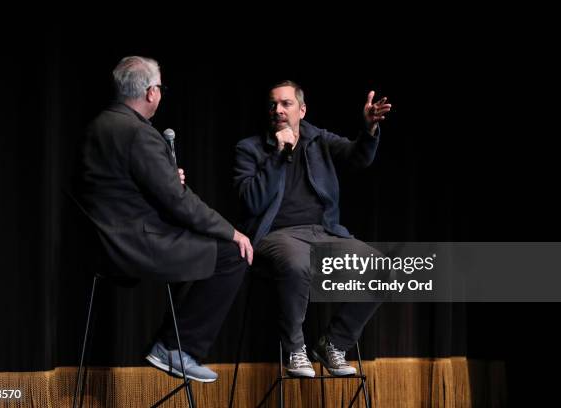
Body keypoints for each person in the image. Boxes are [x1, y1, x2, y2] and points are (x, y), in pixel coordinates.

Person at [77, 56, 252, 383]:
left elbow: (116, 185)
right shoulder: (139, 133)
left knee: (206, 250)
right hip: (135, 244)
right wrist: (232, 231)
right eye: (159, 87)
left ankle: (172, 343)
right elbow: (178, 203)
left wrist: (165, 177)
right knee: (232, 254)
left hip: (100, 242)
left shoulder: (99, 124)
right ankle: (174, 347)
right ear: (150, 93)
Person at [234, 80, 391, 377]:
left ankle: (333, 343)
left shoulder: (319, 139)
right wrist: (279, 155)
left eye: (286, 103)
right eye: (273, 105)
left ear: (302, 110)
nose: (278, 110)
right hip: (275, 236)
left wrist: (369, 129)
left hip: (324, 233)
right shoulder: (250, 149)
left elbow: (358, 157)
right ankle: (294, 349)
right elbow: (251, 202)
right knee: (297, 263)